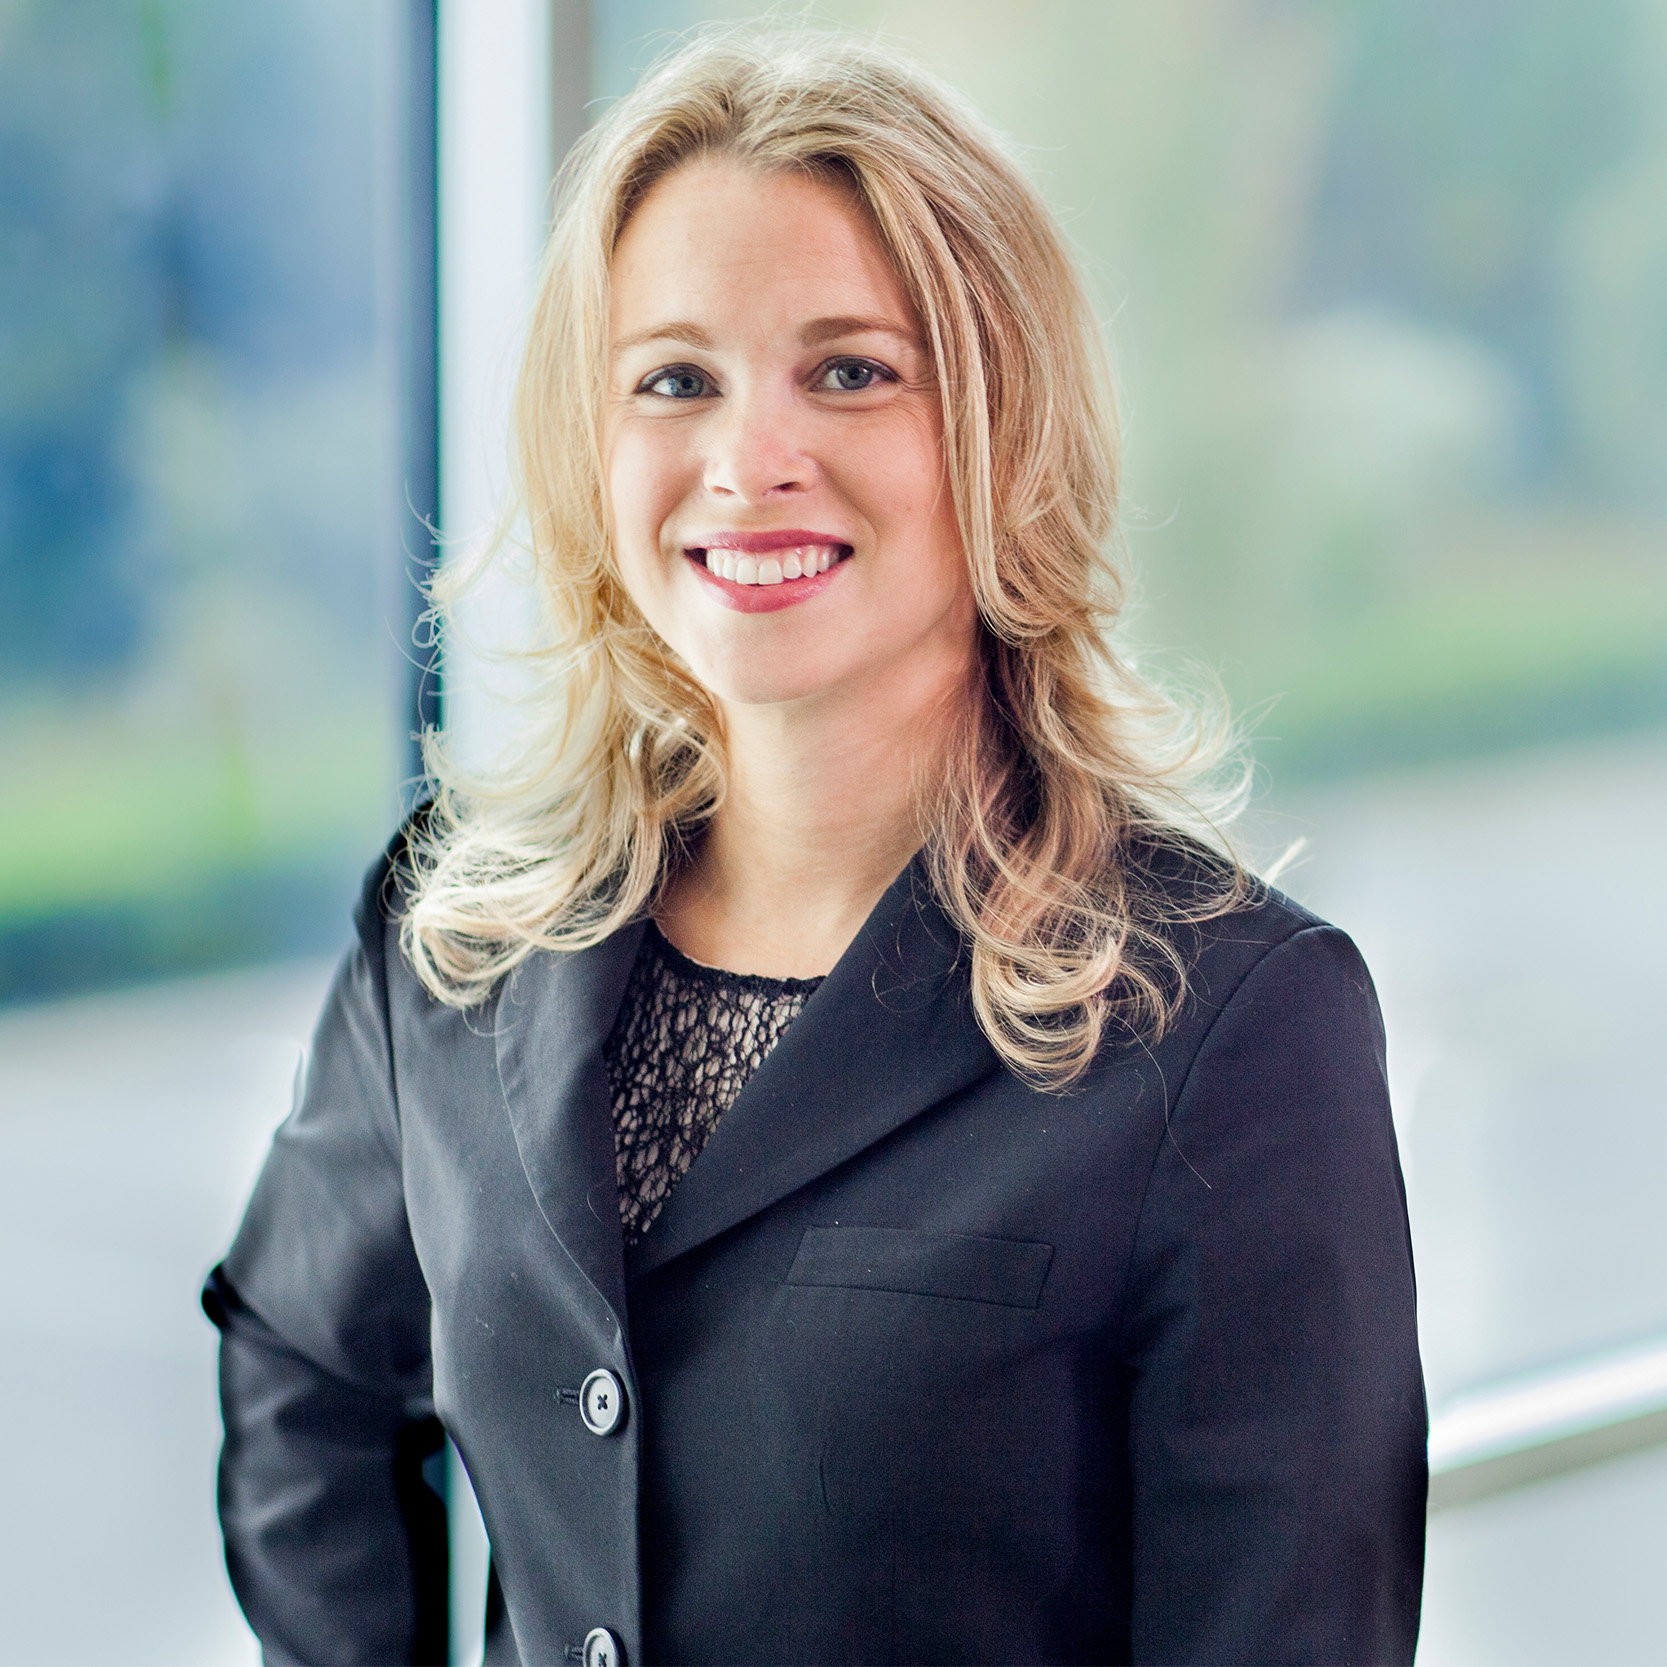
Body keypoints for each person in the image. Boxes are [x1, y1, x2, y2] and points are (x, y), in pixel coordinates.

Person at [206, 27, 1426, 1667]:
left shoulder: (1229, 1020)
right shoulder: (459, 933)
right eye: (674, 379)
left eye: (849, 370)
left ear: (1000, 422)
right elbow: (302, 1369)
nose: (746, 460)